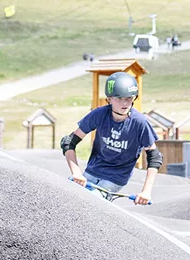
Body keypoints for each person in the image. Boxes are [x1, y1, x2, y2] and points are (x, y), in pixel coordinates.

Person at [62, 71, 163, 205]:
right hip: (93, 171)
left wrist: (146, 192)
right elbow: (68, 142)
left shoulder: (139, 123)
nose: (125, 103)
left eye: (129, 98)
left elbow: (154, 157)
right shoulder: (99, 114)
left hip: (115, 178)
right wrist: (77, 173)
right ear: (109, 98)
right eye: (119, 98)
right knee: (70, 199)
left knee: (91, 201)